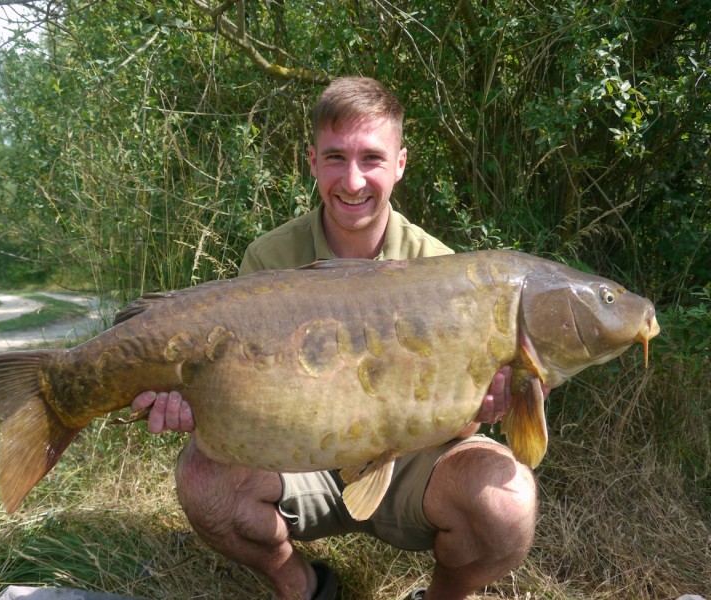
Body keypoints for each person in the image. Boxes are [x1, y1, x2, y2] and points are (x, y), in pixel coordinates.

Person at [131, 77, 538, 600]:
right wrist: (193, 401)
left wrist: (483, 407)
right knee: (203, 480)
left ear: (400, 164)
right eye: (334, 158)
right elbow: (241, 394)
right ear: (311, 161)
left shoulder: (444, 270)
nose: (352, 180)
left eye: (371, 158)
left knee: (507, 502)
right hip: (300, 455)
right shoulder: (269, 260)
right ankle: (302, 587)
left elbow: (455, 431)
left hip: (408, 460)